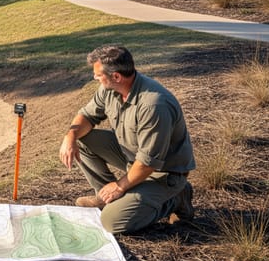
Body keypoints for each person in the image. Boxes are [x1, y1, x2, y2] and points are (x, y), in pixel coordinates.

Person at [59, 45, 195, 234]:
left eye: (98, 75)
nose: (95, 78)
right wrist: (70, 136)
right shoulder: (109, 89)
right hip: (132, 157)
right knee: (82, 139)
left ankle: (176, 198)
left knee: (112, 222)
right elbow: (87, 116)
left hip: (163, 172)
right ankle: (105, 196)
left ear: (116, 76)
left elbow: (148, 164)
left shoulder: (153, 105)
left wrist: (120, 186)